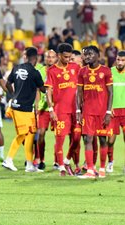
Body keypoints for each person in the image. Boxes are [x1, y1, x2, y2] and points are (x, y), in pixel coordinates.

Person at [2, 47, 45, 172]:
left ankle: (30, 164)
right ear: (36, 58)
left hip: (22, 106)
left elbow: (7, 84)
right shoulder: (35, 72)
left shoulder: (16, 68)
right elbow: (42, 89)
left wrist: (14, 94)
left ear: (26, 57)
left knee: (31, 133)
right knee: (23, 134)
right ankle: (8, 160)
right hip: (23, 108)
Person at [76, 45, 113, 179]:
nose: (87, 57)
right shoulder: (82, 72)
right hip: (88, 112)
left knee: (103, 140)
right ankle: (90, 170)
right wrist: (78, 109)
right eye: (85, 55)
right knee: (88, 139)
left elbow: (110, 92)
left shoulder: (106, 71)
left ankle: (102, 168)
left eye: (90, 54)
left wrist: (108, 112)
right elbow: (79, 92)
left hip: (102, 112)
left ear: (98, 55)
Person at [45, 43, 81, 176]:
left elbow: (81, 87)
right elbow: (48, 91)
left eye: (69, 57)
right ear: (59, 55)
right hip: (60, 111)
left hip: (75, 110)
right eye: (65, 57)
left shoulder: (75, 67)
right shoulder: (52, 71)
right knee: (60, 139)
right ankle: (61, 166)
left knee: (76, 137)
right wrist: (51, 109)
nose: (68, 59)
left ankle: (67, 160)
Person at [35, 50, 57, 170]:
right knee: (41, 133)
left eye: (52, 57)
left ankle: (57, 161)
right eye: (48, 57)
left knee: (57, 135)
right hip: (43, 108)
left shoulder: (58, 71)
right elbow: (37, 90)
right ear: (44, 58)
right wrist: (37, 105)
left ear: (56, 58)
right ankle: (41, 160)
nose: (50, 59)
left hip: (56, 108)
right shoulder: (40, 71)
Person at [106, 51, 125, 173]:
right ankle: (110, 162)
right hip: (113, 111)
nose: (120, 62)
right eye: (118, 60)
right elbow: (105, 92)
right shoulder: (110, 72)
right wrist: (109, 108)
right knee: (110, 140)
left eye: (123, 60)